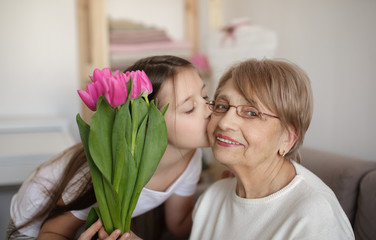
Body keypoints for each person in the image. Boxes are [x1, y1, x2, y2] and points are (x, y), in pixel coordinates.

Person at [7, 55, 211, 240]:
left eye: (205, 96)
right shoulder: (109, 171)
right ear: (146, 122)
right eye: (190, 108)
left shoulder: (191, 155)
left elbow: (179, 225)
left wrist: (225, 195)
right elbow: (52, 231)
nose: (210, 109)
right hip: (35, 224)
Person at [189, 58, 355, 239]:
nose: (225, 122)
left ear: (287, 138)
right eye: (222, 106)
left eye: (252, 113)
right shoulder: (211, 198)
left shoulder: (315, 217)